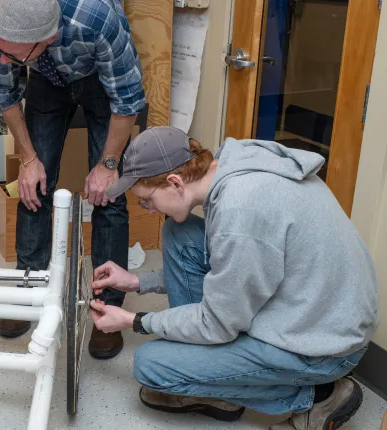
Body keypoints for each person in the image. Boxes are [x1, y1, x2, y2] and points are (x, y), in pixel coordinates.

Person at [89, 126, 378, 429]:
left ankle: (318, 396)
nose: (149, 210)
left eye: (147, 200)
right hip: (313, 310)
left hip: (324, 347)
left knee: (152, 365)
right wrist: (137, 282)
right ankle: (214, 376)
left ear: (175, 182)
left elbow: (217, 323)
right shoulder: (233, 167)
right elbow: (228, 266)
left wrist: (132, 320)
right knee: (178, 233)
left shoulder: (239, 212)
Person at [0, 0, 147, 359]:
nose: (4, 60)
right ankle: (29, 290)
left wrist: (108, 164)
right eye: (1, 51)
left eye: (12, 55)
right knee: (33, 185)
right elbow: (5, 94)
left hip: (101, 80)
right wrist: (28, 160)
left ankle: (106, 306)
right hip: (45, 77)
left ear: (49, 37)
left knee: (110, 195)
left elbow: (128, 100)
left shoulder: (98, 20)